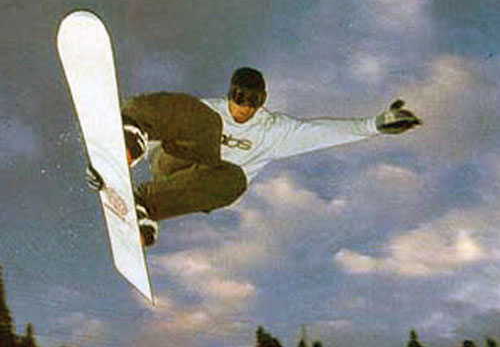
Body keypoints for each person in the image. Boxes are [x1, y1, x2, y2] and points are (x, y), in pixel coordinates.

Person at [86, 67, 421, 246]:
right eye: (238, 96)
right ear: (229, 92)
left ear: (263, 101)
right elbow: (174, 113)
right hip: (171, 157)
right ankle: (132, 128)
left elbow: (321, 131)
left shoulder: (272, 131)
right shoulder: (214, 111)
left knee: (234, 180)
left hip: (196, 182)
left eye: (252, 100)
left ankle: (147, 205)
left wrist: (373, 125)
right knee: (207, 120)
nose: (243, 107)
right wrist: (115, 148)